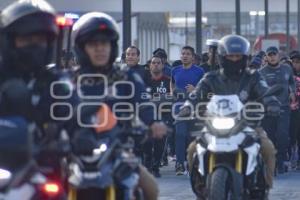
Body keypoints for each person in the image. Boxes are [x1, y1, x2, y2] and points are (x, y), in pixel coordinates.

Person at [71, 12, 167, 200]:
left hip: (117, 149)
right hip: (73, 152)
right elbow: (49, 109)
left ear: (112, 47)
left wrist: (154, 122)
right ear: (82, 48)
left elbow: (143, 102)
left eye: (104, 43)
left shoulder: (126, 77)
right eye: (93, 44)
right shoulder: (69, 80)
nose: (100, 49)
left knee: (150, 189)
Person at [187, 35, 279, 189]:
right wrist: (187, 105)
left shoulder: (253, 77)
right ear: (223, 57)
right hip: (214, 125)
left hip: (248, 124)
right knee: (192, 150)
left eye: (238, 56)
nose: (234, 59)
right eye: (230, 56)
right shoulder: (211, 77)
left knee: (268, 149)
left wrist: (272, 103)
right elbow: (196, 94)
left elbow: (266, 92)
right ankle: (200, 186)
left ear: (245, 57)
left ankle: (264, 187)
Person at [0, 0, 76, 178]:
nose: (34, 45)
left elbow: (76, 110)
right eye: (26, 39)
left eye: (40, 40)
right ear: (9, 41)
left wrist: (84, 134)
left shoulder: (58, 81)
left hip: (46, 167)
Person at [260, 46, 296, 173]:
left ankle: (281, 161)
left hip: (284, 108)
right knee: (269, 137)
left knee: (283, 136)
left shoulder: (287, 69)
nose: (272, 57)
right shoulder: (261, 72)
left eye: (274, 54)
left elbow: (292, 82)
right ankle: (271, 162)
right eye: (269, 55)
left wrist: (292, 91)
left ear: (278, 55)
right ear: (266, 57)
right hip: (268, 110)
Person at [170, 45, 205, 175]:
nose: (185, 56)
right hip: (180, 107)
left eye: (188, 54)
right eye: (183, 53)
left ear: (192, 57)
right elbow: (172, 83)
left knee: (193, 136)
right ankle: (179, 163)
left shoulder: (199, 71)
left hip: (195, 107)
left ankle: (193, 163)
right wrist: (173, 93)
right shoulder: (175, 70)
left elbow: (205, 88)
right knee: (180, 134)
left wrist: (195, 89)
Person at [143, 55, 172, 177]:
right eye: (153, 63)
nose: (155, 65)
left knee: (160, 142)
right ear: (150, 65)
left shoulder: (168, 80)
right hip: (147, 115)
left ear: (162, 65)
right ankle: (147, 166)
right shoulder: (144, 80)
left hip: (164, 115)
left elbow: (172, 96)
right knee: (147, 142)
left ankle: (155, 167)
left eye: (158, 63)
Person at [288, 50, 300, 169]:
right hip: (291, 110)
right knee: (292, 135)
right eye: (294, 62)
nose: (296, 64)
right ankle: (292, 156)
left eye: (298, 62)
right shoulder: (287, 75)